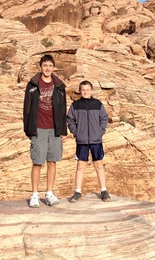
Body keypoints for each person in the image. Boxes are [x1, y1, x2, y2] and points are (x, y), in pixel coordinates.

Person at [23, 54, 67, 207]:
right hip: (38, 128)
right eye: (45, 65)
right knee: (37, 162)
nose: (47, 68)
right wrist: (28, 130)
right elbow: (26, 108)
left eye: (50, 65)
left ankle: (49, 193)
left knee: (52, 161)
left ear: (53, 67)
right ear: (40, 67)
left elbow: (63, 109)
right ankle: (34, 195)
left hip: (54, 128)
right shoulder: (33, 84)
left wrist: (63, 130)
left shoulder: (59, 86)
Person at [66, 80, 110, 202]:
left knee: (99, 165)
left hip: (96, 140)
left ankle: (104, 191)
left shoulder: (98, 104)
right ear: (80, 91)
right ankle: (77, 192)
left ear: (91, 91)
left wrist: (100, 131)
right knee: (80, 166)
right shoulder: (75, 105)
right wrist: (75, 132)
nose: (85, 92)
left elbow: (104, 118)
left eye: (87, 90)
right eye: (83, 90)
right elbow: (70, 119)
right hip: (82, 141)